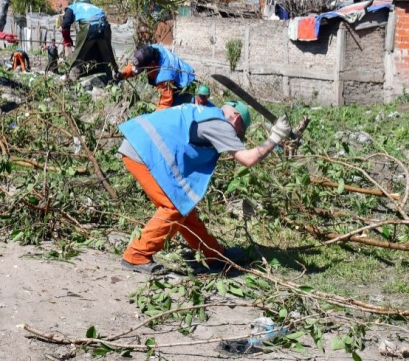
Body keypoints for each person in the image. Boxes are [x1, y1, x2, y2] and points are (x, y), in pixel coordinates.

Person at [118, 102, 291, 275]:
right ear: (237, 119)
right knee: (173, 207)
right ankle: (136, 255)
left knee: (185, 208)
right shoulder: (221, 125)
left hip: (141, 145)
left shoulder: (208, 113)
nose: (236, 138)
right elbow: (247, 159)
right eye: (239, 133)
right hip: (143, 152)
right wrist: (275, 137)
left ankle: (213, 255)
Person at [116, 44, 196, 111]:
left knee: (177, 112)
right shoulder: (151, 50)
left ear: (152, 64)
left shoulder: (164, 76)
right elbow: (135, 66)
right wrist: (122, 74)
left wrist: (155, 119)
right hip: (177, 74)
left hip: (184, 86)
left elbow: (165, 103)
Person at [61, 0, 118, 81]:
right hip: (104, 27)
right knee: (107, 55)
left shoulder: (72, 7)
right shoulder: (95, 7)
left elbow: (65, 24)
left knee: (78, 56)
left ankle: (72, 80)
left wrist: (67, 40)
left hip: (89, 28)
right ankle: (113, 77)